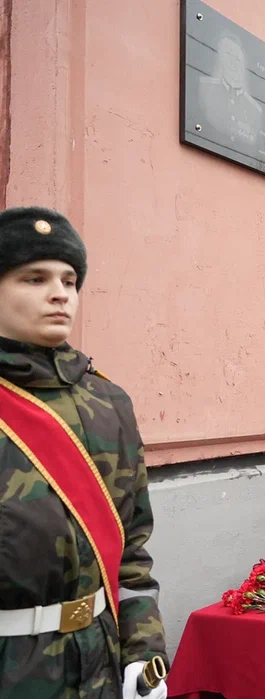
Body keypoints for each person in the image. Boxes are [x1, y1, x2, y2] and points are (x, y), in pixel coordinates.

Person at [0, 207, 168, 698]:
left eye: (70, 281)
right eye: (34, 278)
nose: (60, 294)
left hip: (99, 663)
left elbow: (132, 548)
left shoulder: (108, 402)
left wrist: (143, 651)